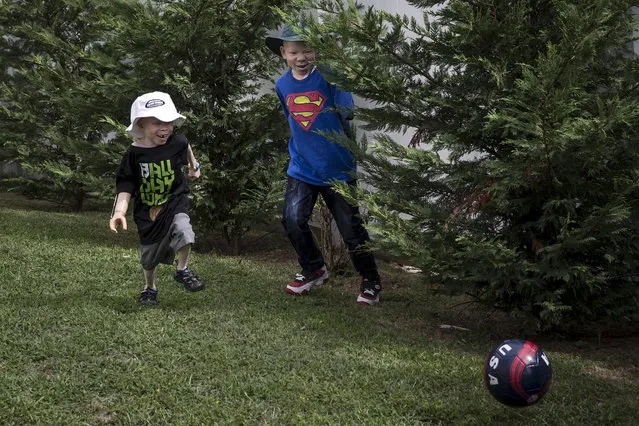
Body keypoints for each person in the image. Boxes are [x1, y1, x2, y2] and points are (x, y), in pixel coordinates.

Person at [266, 25, 382, 305]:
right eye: (294, 52)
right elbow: (291, 119)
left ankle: (371, 281)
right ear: (284, 53)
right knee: (292, 219)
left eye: (307, 50)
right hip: (302, 167)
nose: (301, 57)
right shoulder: (282, 85)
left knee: (351, 230)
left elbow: (347, 113)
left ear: (317, 50)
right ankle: (313, 268)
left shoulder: (330, 77)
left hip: (336, 169)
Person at [109, 91, 204, 306]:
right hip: (148, 212)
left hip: (175, 201)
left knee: (184, 231)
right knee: (149, 258)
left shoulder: (176, 141)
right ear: (141, 124)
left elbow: (185, 145)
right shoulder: (134, 154)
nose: (164, 128)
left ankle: (182, 269)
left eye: (168, 122)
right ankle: (149, 288)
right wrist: (119, 212)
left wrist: (193, 166)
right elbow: (126, 184)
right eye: (157, 123)